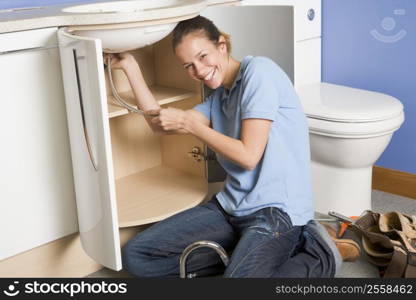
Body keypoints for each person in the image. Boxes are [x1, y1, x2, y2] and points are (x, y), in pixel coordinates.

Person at [106, 16, 346, 278]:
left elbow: (249, 156)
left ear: (222, 46)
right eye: (189, 65)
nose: (198, 70)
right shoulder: (219, 96)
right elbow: (160, 125)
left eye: (202, 56)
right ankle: (246, 259)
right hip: (230, 206)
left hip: (276, 211)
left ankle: (321, 254)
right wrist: (131, 67)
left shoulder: (260, 72)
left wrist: (192, 125)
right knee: (137, 256)